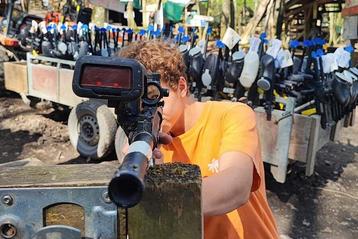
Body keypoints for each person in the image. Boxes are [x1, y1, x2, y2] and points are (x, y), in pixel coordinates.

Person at [118, 40, 279, 239]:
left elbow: (236, 186)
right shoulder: (151, 145)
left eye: (153, 97)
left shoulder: (233, 114)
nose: (146, 113)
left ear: (182, 87)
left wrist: (150, 197)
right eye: (138, 103)